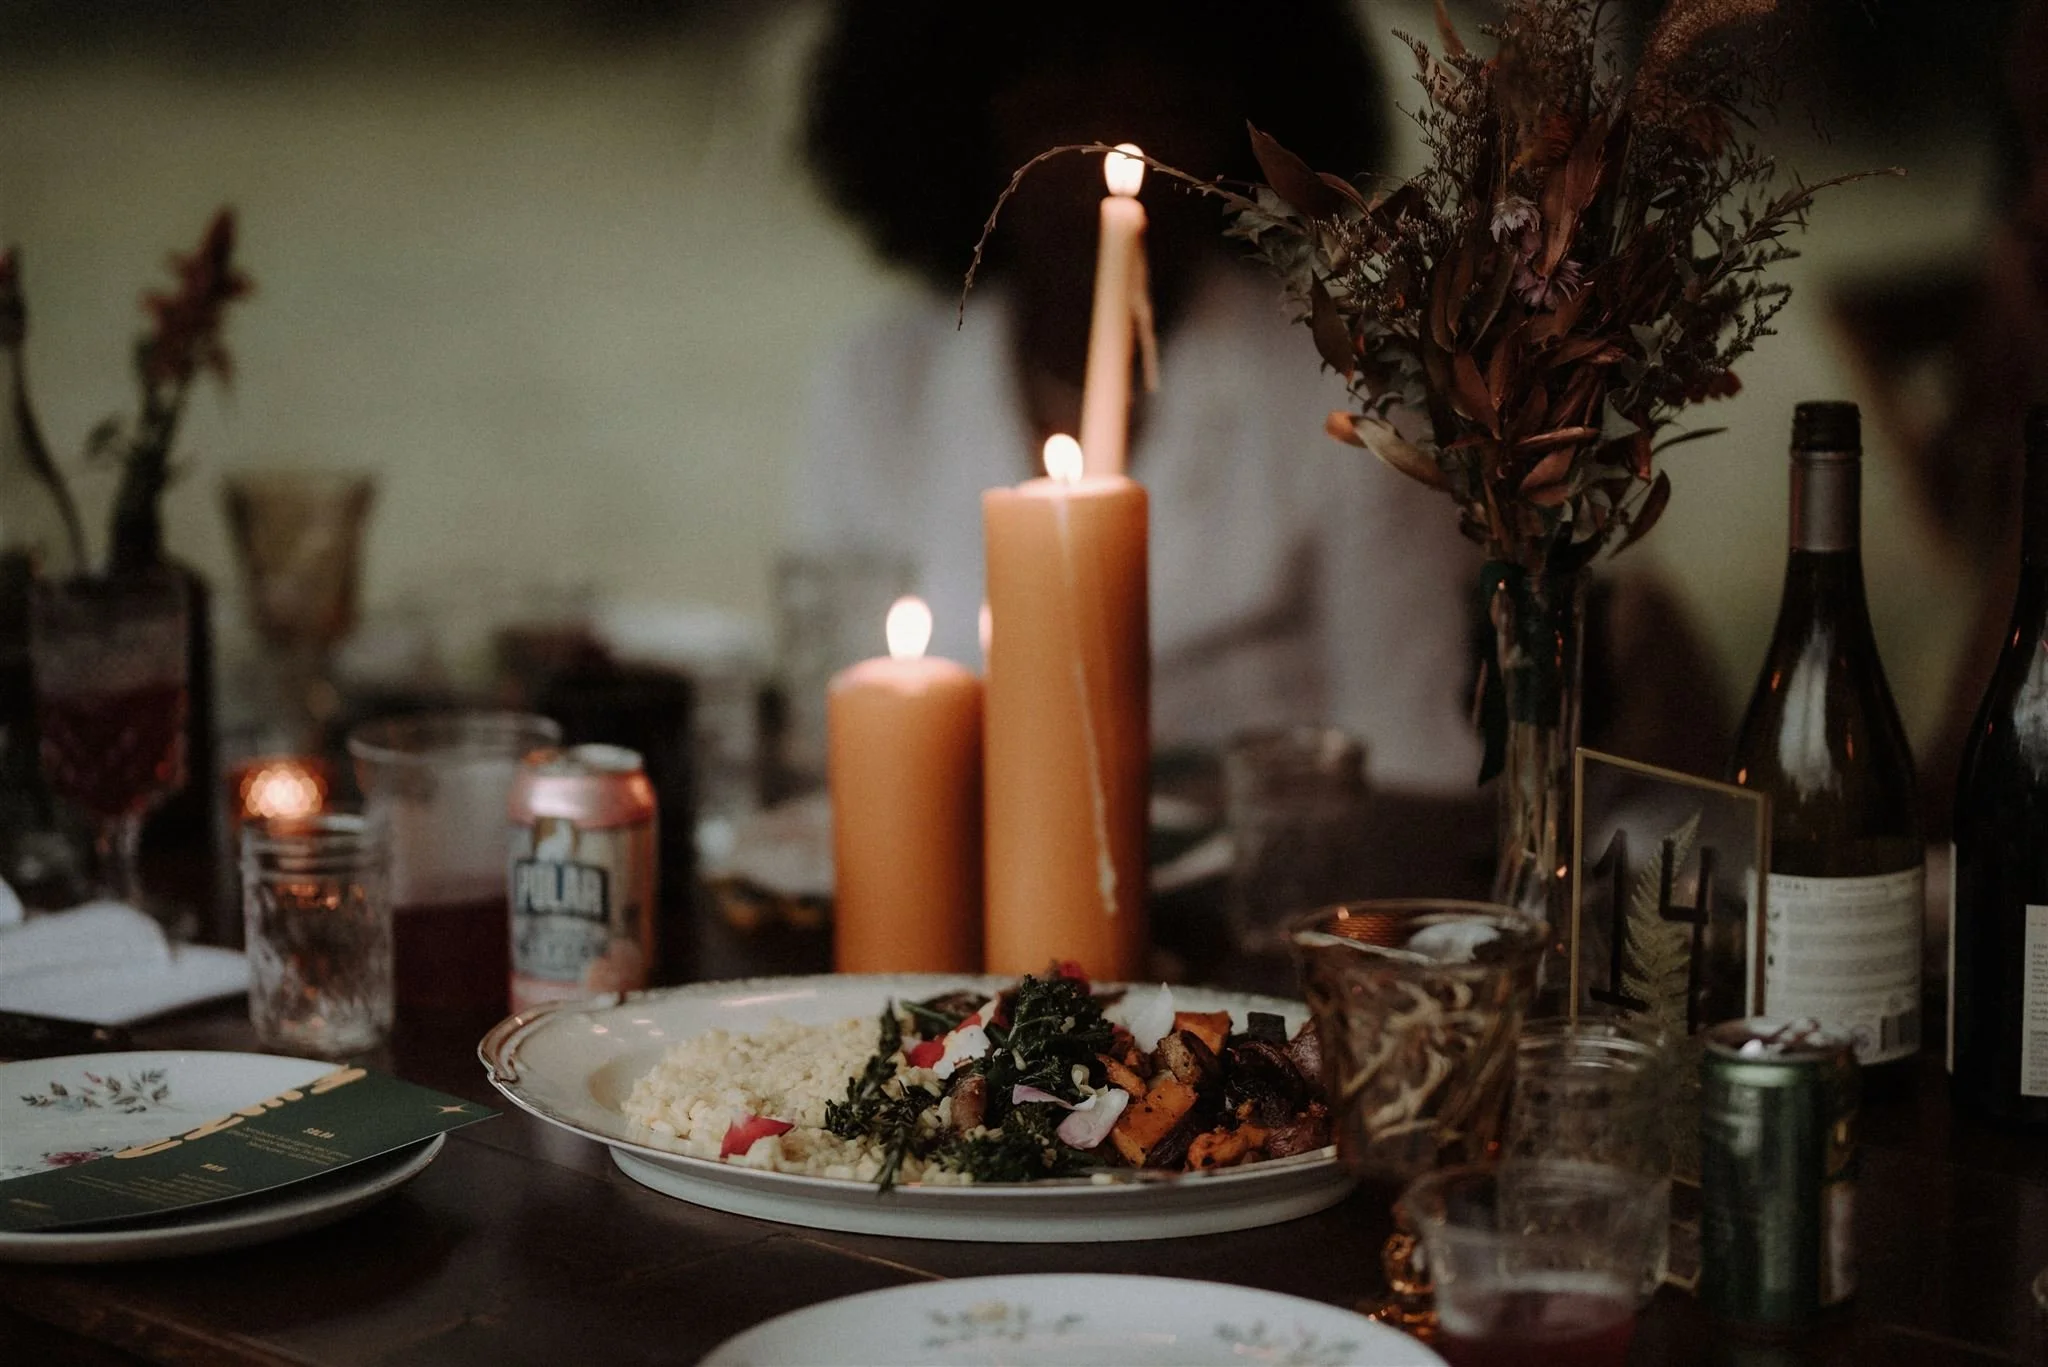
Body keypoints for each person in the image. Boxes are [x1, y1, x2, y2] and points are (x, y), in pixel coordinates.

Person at [790, 0, 1487, 796]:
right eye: (1059, 111)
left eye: (1166, 111)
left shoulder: (1349, 390)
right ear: (964, 121)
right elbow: (836, 738)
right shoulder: (877, 384)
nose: (1111, 161)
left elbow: (1424, 765)